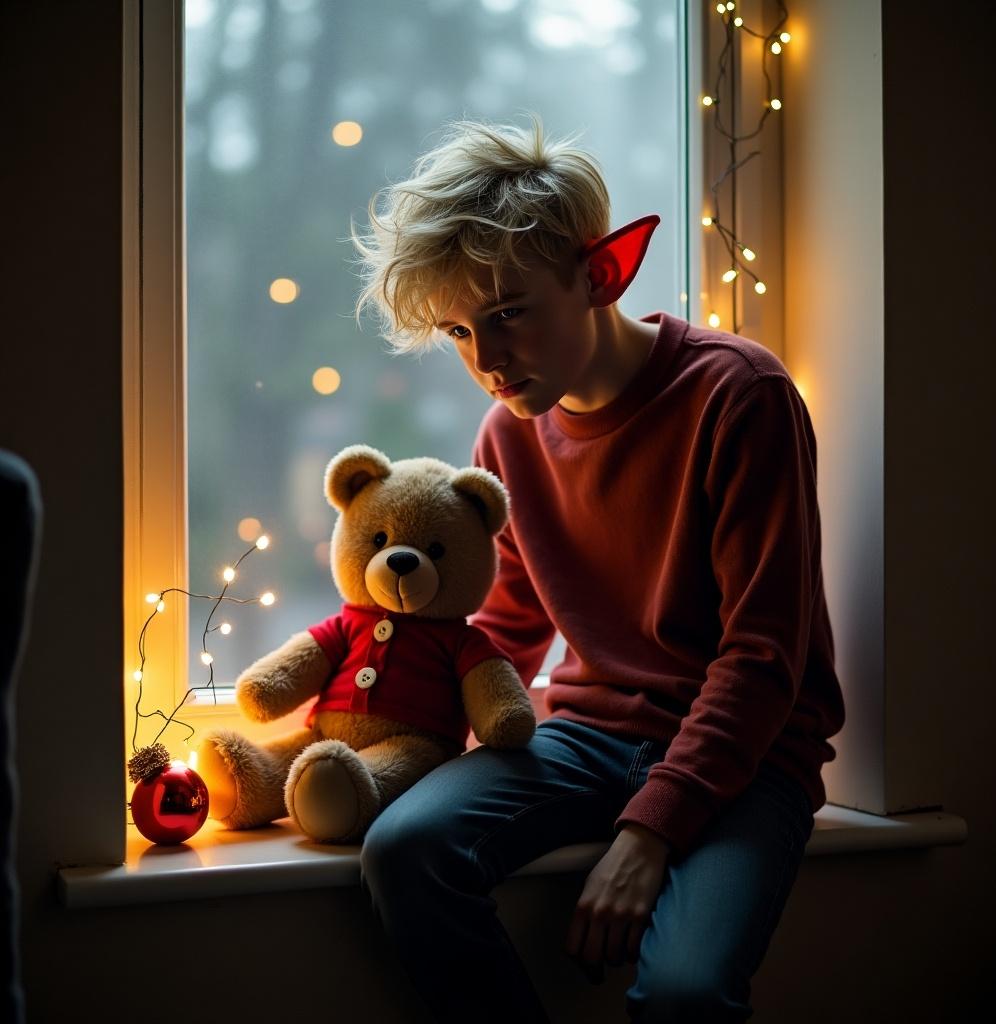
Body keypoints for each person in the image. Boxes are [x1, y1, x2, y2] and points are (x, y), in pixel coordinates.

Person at [351, 114, 845, 1024]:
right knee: (405, 849)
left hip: (748, 754)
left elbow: (764, 657)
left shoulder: (742, 395)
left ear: (601, 273)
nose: (486, 361)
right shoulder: (509, 432)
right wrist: (391, 736)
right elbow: (501, 627)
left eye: (507, 317)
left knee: (686, 994)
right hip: (582, 739)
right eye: (460, 332)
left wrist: (650, 830)